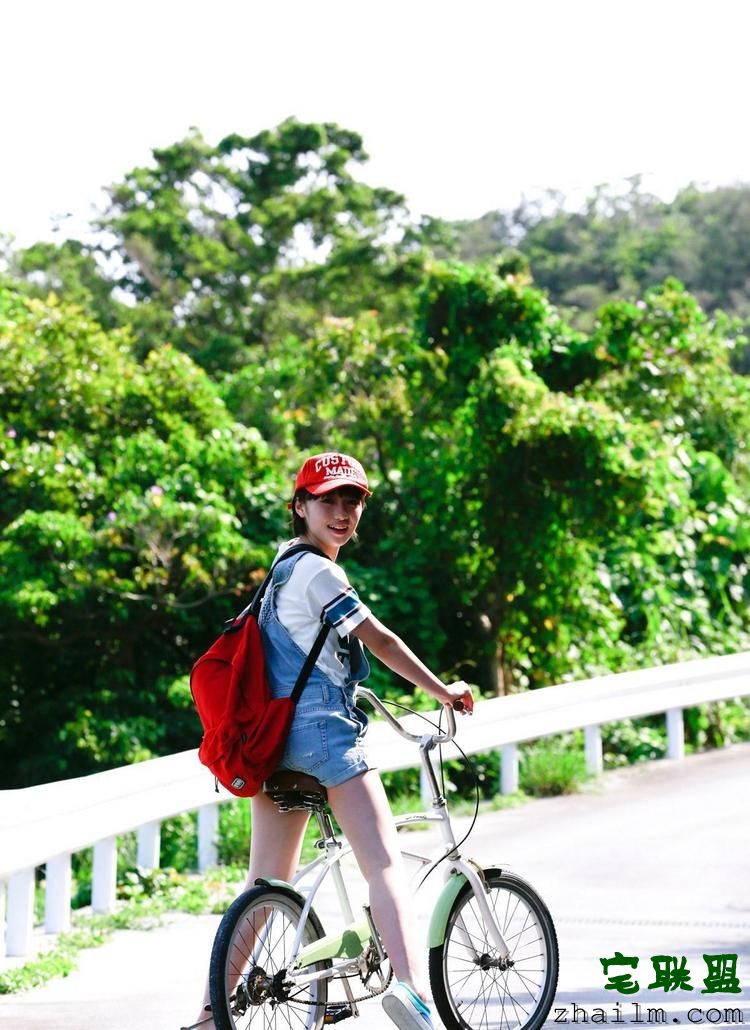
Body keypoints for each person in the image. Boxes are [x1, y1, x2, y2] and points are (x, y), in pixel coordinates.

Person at [187, 451, 474, 1030]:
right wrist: (443, 691)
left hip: (273, 747)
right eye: (327, 500)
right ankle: (411, 990)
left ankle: (211, 1012)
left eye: (352, 500)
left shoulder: (282, 569)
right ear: (301, 507)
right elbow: (381, 641)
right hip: (324, 740)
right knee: (384, 863)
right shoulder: (322, 572)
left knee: (265, 885)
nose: (342, 512)